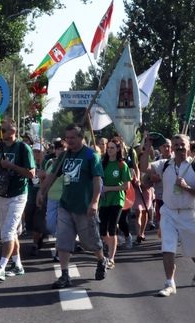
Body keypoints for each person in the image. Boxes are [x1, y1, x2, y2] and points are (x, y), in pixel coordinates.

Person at [36, 124, 108, 289]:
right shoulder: (64, 156)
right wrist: (42, 191)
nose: (69, 141)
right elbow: (53, 175)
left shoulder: (91, 156)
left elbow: (98, 180)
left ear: (81, 138)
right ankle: (65, 275)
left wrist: (95, 202)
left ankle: (100, 259)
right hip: (66, 205)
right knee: (63, 241)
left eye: (73, 138)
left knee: (90, 243)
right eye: (67, 138)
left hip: (85, 207)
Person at [140, 134, 195, 297]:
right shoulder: (164, 164)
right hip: (169, 212)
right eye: (176, 144)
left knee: (193, 251)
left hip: (190, 214)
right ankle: (169, 283)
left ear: (188, 146)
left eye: (182, 144)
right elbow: (144, 168)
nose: (179, 147)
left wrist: (185, 187)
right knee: (167, 247)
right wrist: (148, 146)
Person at [0, 117, 35, 281]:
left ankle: (2, 266)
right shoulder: (1, 148)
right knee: (8, 233)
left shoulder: (23, 148)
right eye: (0, 130)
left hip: (18, 194)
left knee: (8, 232)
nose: (1, 133)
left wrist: (11, 166)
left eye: (3, 130)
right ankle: (17, 265)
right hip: (3, 194)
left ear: (13, 131)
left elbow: (31, 174)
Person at [98, 139, 131, 269]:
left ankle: (111, 258)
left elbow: (125, 186)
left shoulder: (122, 165)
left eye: (112, 148)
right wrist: (101, 189)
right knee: (102, 230)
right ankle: (113, 244)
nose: (109, 150)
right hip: (104, 200)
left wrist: (108, 188)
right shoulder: (102, 164)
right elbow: (98, 180)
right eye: (108, 147)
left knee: (112, 229)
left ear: (118, 149)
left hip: (117, 200)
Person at [44, 138, 66, 261]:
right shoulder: (50, 163)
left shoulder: (69, 163)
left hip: (64, 199)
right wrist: (41, 193)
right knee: (50, 225)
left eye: (63, 149)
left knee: (62, 226)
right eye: (59, 149)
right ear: (55, 151)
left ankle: (59, 250)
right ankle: (64, 241)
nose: (61, 151)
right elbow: (45, 179)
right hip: (51, 197)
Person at [24, 142, 47, 256]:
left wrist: (45, 174)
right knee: (29, 218)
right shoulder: (29, 163)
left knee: (39, 218)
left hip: (42, 194)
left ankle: (35, 243)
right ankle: (40, 235)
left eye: (39, 151)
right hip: (30, 194)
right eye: (35, 151)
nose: (37, 154)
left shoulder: (47, 163)